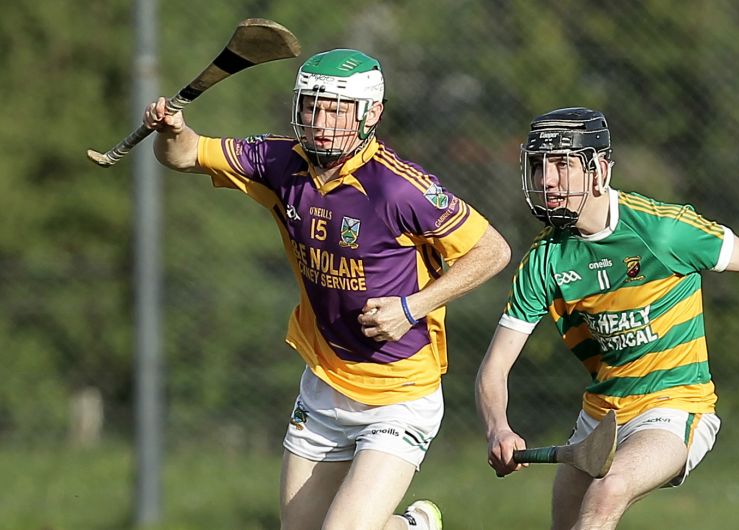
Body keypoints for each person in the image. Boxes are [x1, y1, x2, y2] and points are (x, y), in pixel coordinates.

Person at [474, 107, 739, 529]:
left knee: (609, 491)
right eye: (538, 166)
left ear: (599, 170)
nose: (546, 179)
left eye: (562, 164)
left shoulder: (661, 230)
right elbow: (494, 369)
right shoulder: (544, 260)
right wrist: (498, 428)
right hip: (599, 417)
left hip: (674, 408)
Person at [144, 48, 511, 530]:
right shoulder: (278, 161)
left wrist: (411, 307)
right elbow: (185, 154)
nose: (320, 121)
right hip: (324, 385)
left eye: (337, 110)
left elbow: (493, 251)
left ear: (371, 115)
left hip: (399, 393)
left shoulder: (399, 189)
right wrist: (172, 131)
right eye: (311, 106)